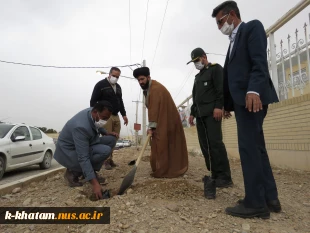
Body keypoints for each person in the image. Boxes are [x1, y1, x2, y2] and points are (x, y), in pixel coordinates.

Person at [212, 1, 280, 218]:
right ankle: (270, 198)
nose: (219, 27)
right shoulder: (233, 42)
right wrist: (228, 105)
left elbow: (259, 63)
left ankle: (255, 203)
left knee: (249, 149)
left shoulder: (252, 28)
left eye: (220, 21)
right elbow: (234, 76)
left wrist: (254, 91)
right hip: (243, 102)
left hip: (253, 99)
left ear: (232, 14)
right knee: (257, 149)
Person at [187, 48, 232, 191]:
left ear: (204, 57)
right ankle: (214, 173)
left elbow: (221, 89)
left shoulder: (216, 69)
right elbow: (196, 97)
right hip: (200, 115)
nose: (196, 64)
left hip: (213, 114)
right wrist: (192, 113)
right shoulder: (198, 77)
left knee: (215, 143)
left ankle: (225, 177)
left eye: (197, 60)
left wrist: (219, 106)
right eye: (194, 62)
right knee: (205, 145)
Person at [54, 101, 117, 200]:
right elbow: (83, 157)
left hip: (86, 142)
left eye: (107, 118)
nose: (105, 121)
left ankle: (89, 172)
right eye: (104, 118)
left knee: (111, 140)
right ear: (95, 112)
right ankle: (72, 172)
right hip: (68, 151)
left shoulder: (92, 113)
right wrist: (95, 184)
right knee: (105, 150)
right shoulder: (81, 127)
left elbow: (96, 125)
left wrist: (106, 133)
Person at [133, 67, 188, 178]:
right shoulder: (150, 88)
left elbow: (153, 109)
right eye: (138, 80)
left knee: (161, 144)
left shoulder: (155, 89)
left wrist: (151, 127)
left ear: (148, 77)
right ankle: (162, 168)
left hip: (165, 120)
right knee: (162, 144)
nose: (140, 82)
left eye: (142, 79)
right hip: (162, 120)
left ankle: (163, 171)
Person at [90, 67, 128, 170]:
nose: (115, 78)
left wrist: (124, 115)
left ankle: (110, 159)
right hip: (106, 116)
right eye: (114, 75)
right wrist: (97, 115)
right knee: (107, 138)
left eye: (117, 76)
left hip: (116, 115)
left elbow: (120, 101)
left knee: (114, 138)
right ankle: (105, 161)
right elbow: (93, 101)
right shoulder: (100, 85)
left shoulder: (118, 87)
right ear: (109, 74)